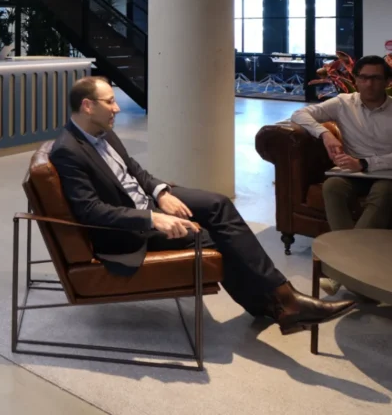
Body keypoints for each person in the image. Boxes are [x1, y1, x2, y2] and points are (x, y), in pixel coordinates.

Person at [50, 76, 355, 335]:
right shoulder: (68, 151)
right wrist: (152, 219)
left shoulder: (102, 132)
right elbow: (90, 211)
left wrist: (161, 192)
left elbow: (133, 169)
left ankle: (280, 302)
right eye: (109, 102)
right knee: (214, 238)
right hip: (127, 232)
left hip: (146, 203)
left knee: (218, 205)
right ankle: (283, 302)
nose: (117, 108)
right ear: (87, 106)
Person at [291, 54, 392, 293]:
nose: (369, 84)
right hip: (352, 174)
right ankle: (354, 270)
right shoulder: (343, 103)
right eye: (364, 77)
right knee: (332, 186)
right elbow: (300, 115)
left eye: (376, 78)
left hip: (387, 174)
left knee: (384, 191)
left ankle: (341, 269)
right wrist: (324, 134)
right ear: (355, 79)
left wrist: (366, 164)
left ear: (387, 81)